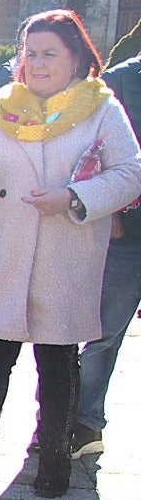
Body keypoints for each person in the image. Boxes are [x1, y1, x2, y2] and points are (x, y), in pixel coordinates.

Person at [0, 10, 141, 497]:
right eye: (31, 53)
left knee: (58, 363)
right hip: (5, 253)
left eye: (50, 53)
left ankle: (54, 456)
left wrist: (74, 198)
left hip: (64, 253)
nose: (38, 63)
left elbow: (130, 173)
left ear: (76, 57)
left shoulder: (101, 109)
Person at [71, 52, 141, 457]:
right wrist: (109, 212)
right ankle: (80, 423)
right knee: (103, 333)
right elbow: (95, 151)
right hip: (130, 233)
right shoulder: (121, 83)